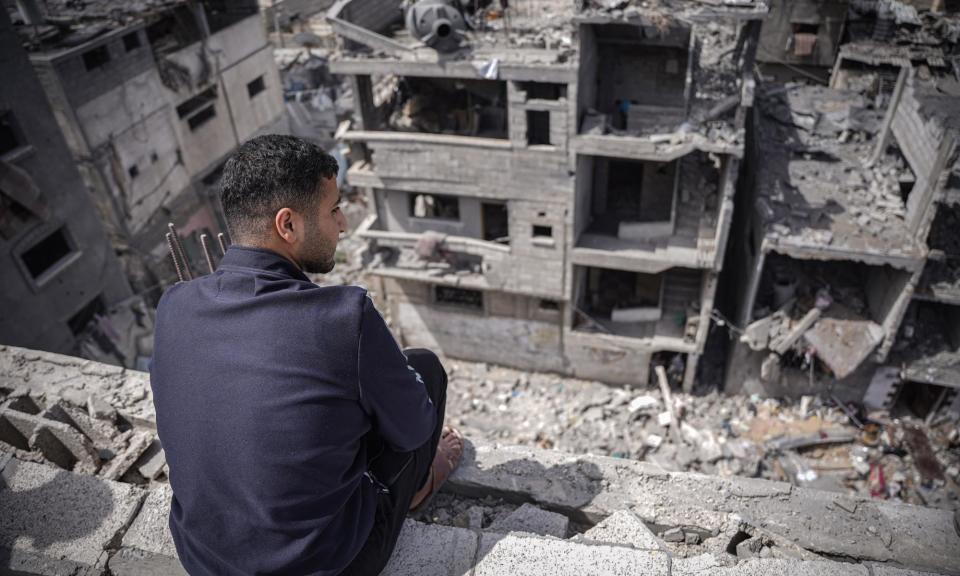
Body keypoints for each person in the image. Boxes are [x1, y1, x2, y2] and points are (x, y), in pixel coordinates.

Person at [149, 134, 463, 575]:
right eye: (333, 210)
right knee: (424, 370)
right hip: (325, 564)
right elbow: (413, 432)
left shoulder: (174, 305)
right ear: (288, 225)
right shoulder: (343, 315)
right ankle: (419, 487)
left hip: (205, 560)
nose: (343, 224)